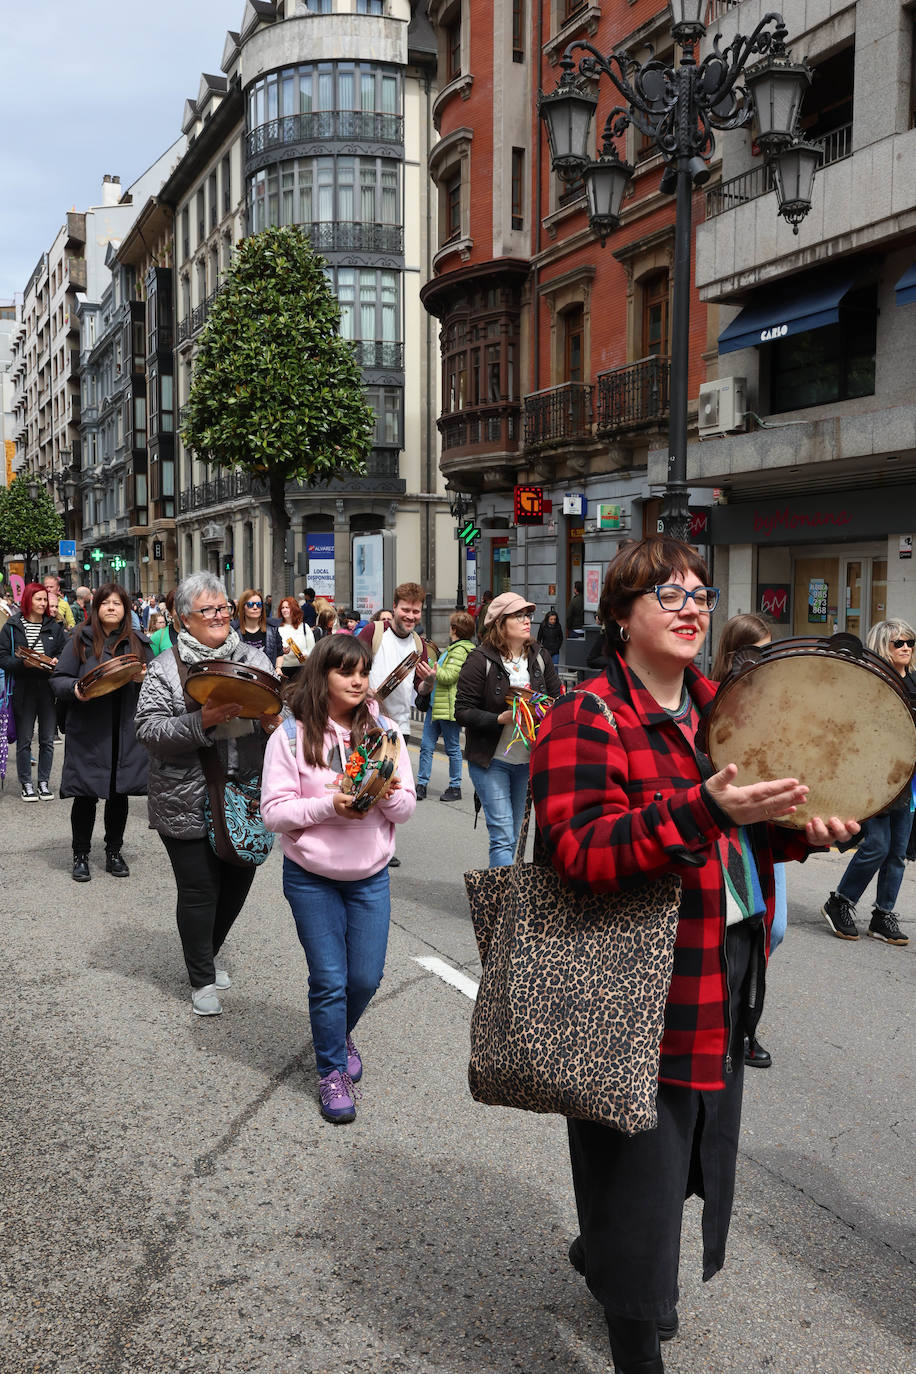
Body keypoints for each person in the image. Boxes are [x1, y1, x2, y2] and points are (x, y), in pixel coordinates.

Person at [529, 537, 857, 1374]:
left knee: (688, 1150)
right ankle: (632, 1322)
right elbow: (580, 851)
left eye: (700, 593)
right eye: (667, 594)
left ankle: (608, 1252)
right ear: (619, 617)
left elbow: (753, 822)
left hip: (725, 965)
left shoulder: (724, 706)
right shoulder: (589, 715)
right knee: (641, 1165)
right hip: (634, 980)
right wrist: (701, 810)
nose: (691, 607)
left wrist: (802, 828)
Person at [260, 634, 416, 1123]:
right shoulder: (289, 736)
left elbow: (406, 807)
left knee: (366, 977)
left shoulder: (385, 731)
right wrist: (331, 804)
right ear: (321, 676)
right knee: (329, 980)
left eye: (363, 672)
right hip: (311, 876)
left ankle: (338, 1031)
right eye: (345, 671)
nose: (357, 681)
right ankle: (331, 1071)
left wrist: (383, 793)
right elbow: (274, 813)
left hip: (370, 875)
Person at [135, 572, 280, 1017]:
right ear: (182, 620)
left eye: (223, 608)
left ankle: (205, 951)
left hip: (244, 791)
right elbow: (148, 729)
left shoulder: (252, 657)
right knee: (200, 888)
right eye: (208, 610)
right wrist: (203, 722)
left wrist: (276, 722)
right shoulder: (165, 668)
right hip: (184, 794)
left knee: (238, 880)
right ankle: (201, 976)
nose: (220, 616)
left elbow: (280, 709)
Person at [711, 612, 783, 1069]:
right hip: (726, 830)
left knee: (768, 929)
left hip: (764, 828)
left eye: (769, 650)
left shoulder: (776, 697)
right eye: (756, 652)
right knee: (736, 932)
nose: (764, 661)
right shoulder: (716, 698)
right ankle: (735, 1025)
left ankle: (746, 1022)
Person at [820, 618, 915, 947]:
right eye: (897, 643)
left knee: (897, 853)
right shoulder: (875, 682)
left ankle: (882, 915)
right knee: (876, 845)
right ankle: (840, 902)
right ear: (882, 646)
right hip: (873, 777)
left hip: (908, 781)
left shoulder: (914, 682)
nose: (905, 648)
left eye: (910, 643)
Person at [50, 584, 152, 881]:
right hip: (89, 731)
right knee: (85, 795)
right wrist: (76, 689)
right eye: (105, 603)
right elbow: (59, 680)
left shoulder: (138, 643)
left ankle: (113, 852)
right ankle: (80, 855)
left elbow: (157, 681)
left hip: (123, 730)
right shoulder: (79, 640)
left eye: (117, 603)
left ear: (126, 609)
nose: (111, 607)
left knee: (118, 795)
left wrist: (144, 678)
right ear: (96, 608)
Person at [455, 592, 562, 866]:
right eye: (519, 616)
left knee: (514, 834)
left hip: (527, 761)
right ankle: (501, 906)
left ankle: (507, 892)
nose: (527, 621)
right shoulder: (479, 660)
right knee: (503, 835)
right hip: (492, 761)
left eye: (528, 615)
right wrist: (499, 719)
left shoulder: (539, 656)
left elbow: (556, 700)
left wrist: (543, 710)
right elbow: (462, 711)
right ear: (500, 623)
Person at [0, 583, 68, 801]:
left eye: (45, 600)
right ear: (28, 600)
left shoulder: (54, 626)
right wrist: (22, 664)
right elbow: (2, 658)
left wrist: (57, 660)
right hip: (23, 687)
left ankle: (44, 782)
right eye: (38, 599)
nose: (43, 604)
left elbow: (63, 652)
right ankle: (26, 783)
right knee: (25, 738)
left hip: (48, 688)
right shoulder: (12, 626)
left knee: (48, 739)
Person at [415, 610, 476, 802]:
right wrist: (433, 664)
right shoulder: (454, 649)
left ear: (455, 629)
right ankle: (421, 784)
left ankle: (455, 786)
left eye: (451, 626)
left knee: (452, 748)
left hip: (448, 707)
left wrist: (432, 668)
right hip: (437, 705)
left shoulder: (460, 651)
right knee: (426, 746)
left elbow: (449, 677)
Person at [235, 588, 281, 666]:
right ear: (243, 607)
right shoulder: (234, 631)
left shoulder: (272, 629)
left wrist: (278, 668)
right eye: (250, 605)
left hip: (267, 675)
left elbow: (280, 653)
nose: (255, 607)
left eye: (259, 604)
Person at [275, 596, 315, 675]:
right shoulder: (277, 627)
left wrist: (305, 655)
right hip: (282, 669)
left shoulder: (304, 627)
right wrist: (281, 651)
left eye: (287, 607)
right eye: (282, 608)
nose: (284, 610)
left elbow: (313, 650)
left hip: (302, 669)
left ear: (294, 609)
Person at [149, 590, 180, 657]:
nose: (182, 611)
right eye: (177, 608)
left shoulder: (201, 634)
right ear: (170, 613)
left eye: (186, 606)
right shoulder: (158, 637)